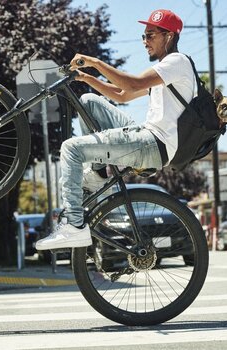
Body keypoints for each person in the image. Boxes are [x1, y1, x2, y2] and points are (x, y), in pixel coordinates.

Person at [35, 9, 194, 250]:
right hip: (144, 135)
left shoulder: (177, 62)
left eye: (150, 36)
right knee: (89, 101)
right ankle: (99, 173)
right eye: (143, 36)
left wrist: (95, 63)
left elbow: (132, 83)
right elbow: (122, 95)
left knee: (71, 149)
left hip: (153, 143)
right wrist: (85, 77)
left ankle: (74, 227)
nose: (145, 42)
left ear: (169, 36)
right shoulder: (165, 71)